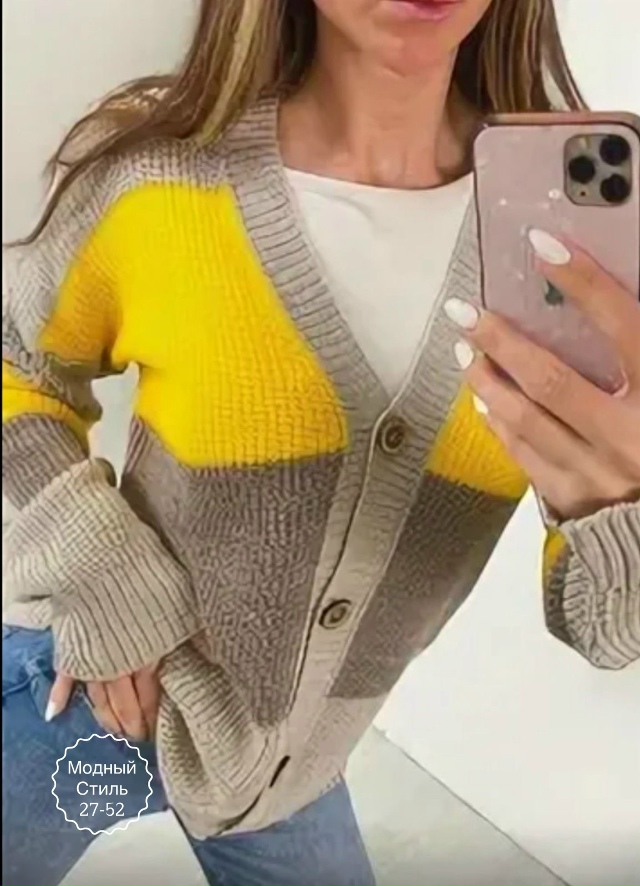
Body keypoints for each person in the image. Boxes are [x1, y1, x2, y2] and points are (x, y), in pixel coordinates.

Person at [3, 0, 639, 884]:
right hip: (92, 702)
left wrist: (622, 502)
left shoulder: (568, 247)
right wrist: (104, 578)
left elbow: (606, 629)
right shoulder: (158, 174)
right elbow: (18, 366)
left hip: (291, 776)